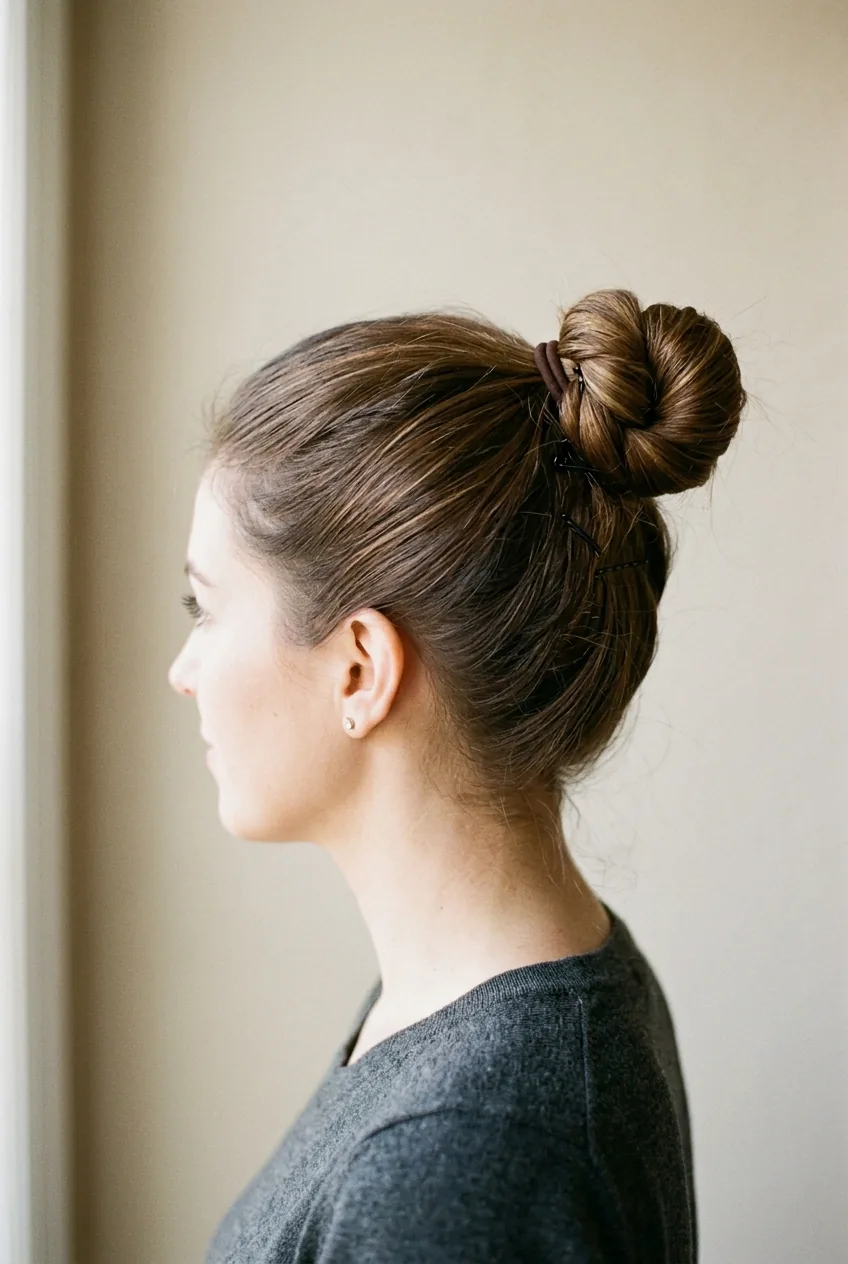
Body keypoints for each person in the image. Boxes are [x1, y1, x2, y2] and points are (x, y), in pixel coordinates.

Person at [168, 287, 746, 1263]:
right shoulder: (518, 986)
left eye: (204, 606)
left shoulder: (458, 1153)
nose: (181, 673)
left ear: (358, 668)